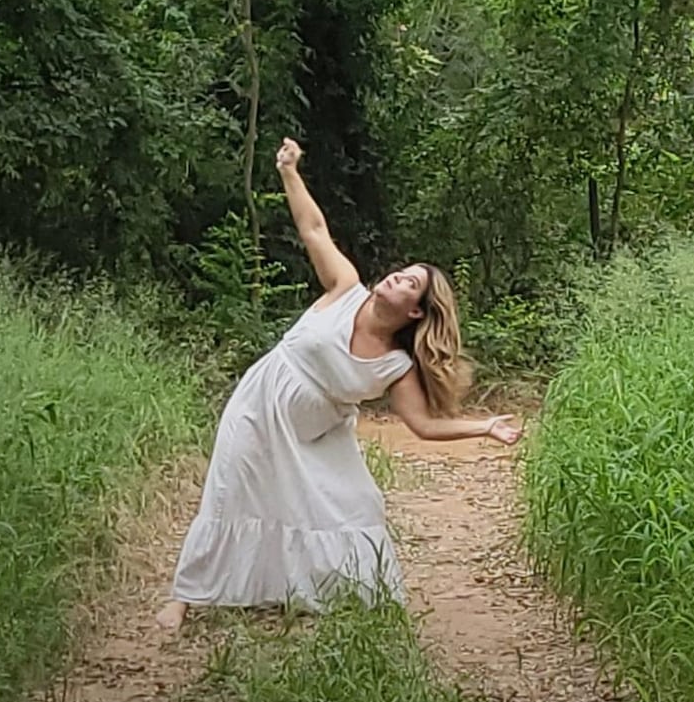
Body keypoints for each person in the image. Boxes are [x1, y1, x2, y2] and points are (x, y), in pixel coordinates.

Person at [156, 138, 521, 630]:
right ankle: (184, 597)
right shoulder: (346, 287)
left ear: (415, 311)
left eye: (410, 283)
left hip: (315, 432)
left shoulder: (396, 364)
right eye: (402, 272)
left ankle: (347, 592)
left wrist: (484, 427)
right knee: (230, 489)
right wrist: (290, 171)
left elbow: (423, 426)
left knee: (353, 503)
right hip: (259, 403)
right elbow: (313, 229)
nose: (396, 278)